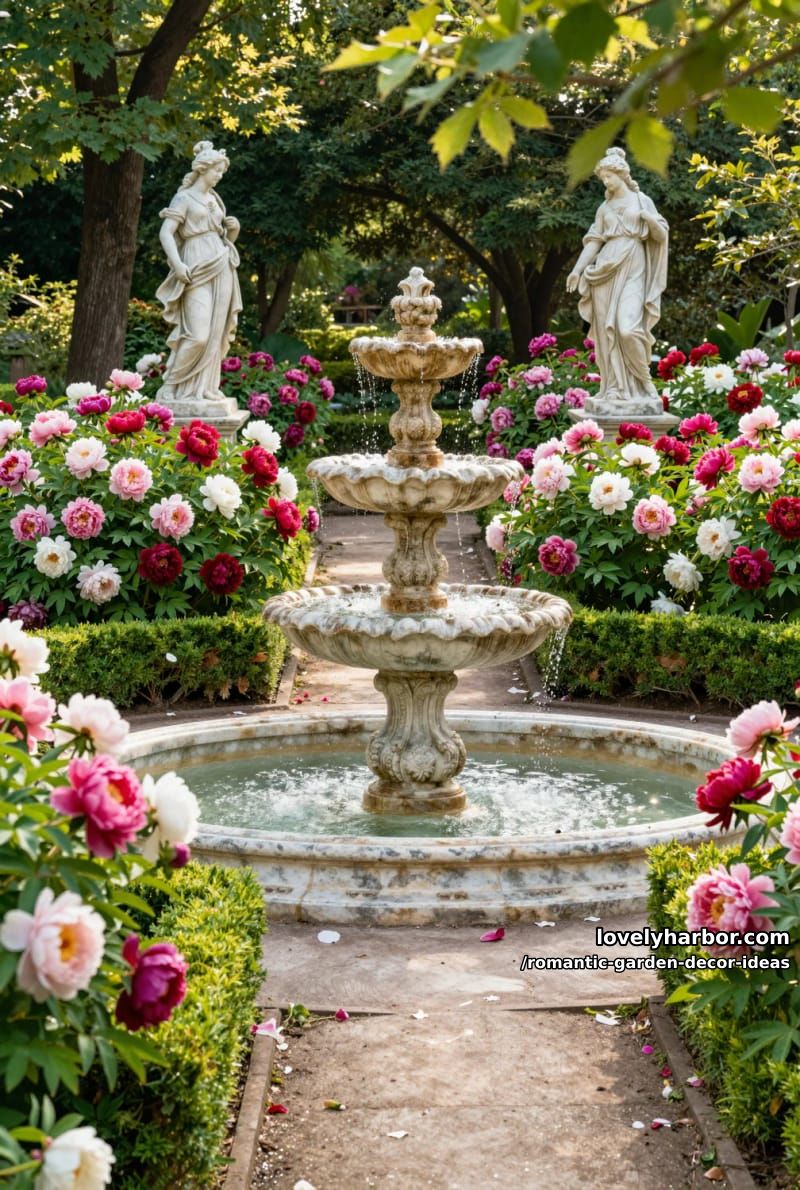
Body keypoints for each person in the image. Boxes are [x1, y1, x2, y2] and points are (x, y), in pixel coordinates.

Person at [566, 146, 668, 413]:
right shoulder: (604, 207)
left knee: (627, 328)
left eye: (609, 177)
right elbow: (594, 241)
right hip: (604, 273)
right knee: (606, 333)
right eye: (603, 179)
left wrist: (652, 222)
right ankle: (613, 388)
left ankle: (645, 383)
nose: (606, 182)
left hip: (634, 265)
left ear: (621, 175)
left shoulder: (642, 201)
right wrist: (577, 270)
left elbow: (660, 236)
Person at [156, 141, 242, 403]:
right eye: (217, 171)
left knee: (215, 332)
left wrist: (234, 230)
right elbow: (166, 233)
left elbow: (223, 235)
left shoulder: (215, 201)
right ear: (204, 169)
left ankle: (206, 388)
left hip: (221, 263)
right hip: (195, 266)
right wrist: (177, 264)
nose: (219, 176)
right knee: (198, 335)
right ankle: (171, 386)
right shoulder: (183, 198)